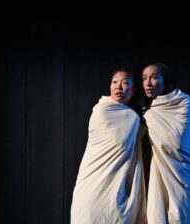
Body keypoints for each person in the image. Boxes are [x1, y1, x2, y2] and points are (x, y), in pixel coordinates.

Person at [71, 68, 146, 224]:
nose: (118, 86)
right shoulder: (102, 109)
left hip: (117, 185)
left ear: (134, 91)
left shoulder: (135, 117)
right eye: (114, 82)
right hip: (91, 181)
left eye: (125, 82)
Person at [141, 63, 190, 224]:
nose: (148, 83)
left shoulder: (184, 102)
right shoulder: (149, 111)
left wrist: (148, 117)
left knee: (184, 216)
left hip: (186, 172)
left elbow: (176, 140)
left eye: (154, 77)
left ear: (166, 81)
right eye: (144, 78)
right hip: (161, 171)